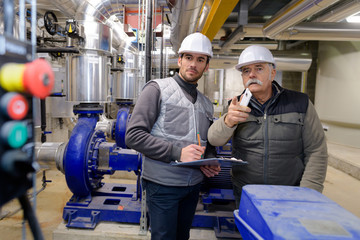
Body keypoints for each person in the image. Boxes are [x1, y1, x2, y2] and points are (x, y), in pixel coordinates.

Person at [125, 32, 221, 240]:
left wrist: (208, 159)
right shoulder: (157, 89)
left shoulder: (206, 104)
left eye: (200, 59)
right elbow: (133, 135)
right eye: (188, 57)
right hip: (163, 186)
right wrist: (177, 153)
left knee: (182, 236)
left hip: (192, 186)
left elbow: (205, 141)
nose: (193, 64)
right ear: (179, 60)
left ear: (207, 66)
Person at [207, 45, 328, 207]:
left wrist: (308, 192)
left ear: (272, 73)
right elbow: (214, 140)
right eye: (246, 70)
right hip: (246, 192)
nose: (251, 74)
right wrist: (228, 121)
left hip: (290, 192)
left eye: (259, 68)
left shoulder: (300, 103)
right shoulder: (235, 105)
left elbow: (316, 151)